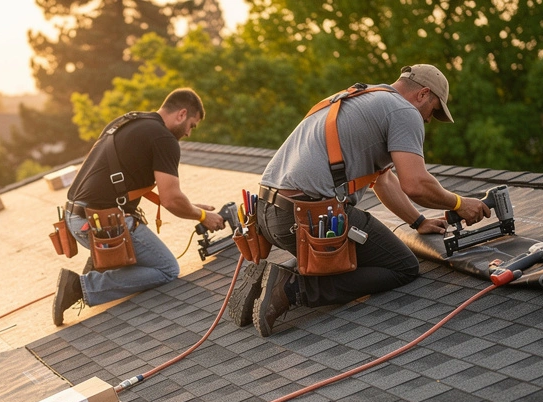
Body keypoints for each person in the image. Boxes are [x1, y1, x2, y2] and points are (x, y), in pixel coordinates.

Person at [229, 64, 491, 337]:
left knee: (356, 255)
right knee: (402, 266)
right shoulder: (405, 112)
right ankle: (293, 289)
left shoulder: (364, 98)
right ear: (423, 94)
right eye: (434, 111)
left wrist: (418, 220)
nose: (428, 120)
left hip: (267, 216)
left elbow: (383, 180)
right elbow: (415, 184)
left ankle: (270, 277)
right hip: (306, 217)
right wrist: (460, 204)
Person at [53, 88, 228, 325]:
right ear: (182, 113)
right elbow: (170, 199)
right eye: (191, 125)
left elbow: (124, 185)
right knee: (167, 269)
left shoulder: (128, 121)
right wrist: (203, 216)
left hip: (75, 216)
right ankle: (81, 287)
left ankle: (98, 267)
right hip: (100, 222)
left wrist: (190, 205)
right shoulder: (164, 139)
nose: (188, 133)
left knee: (148, 259)